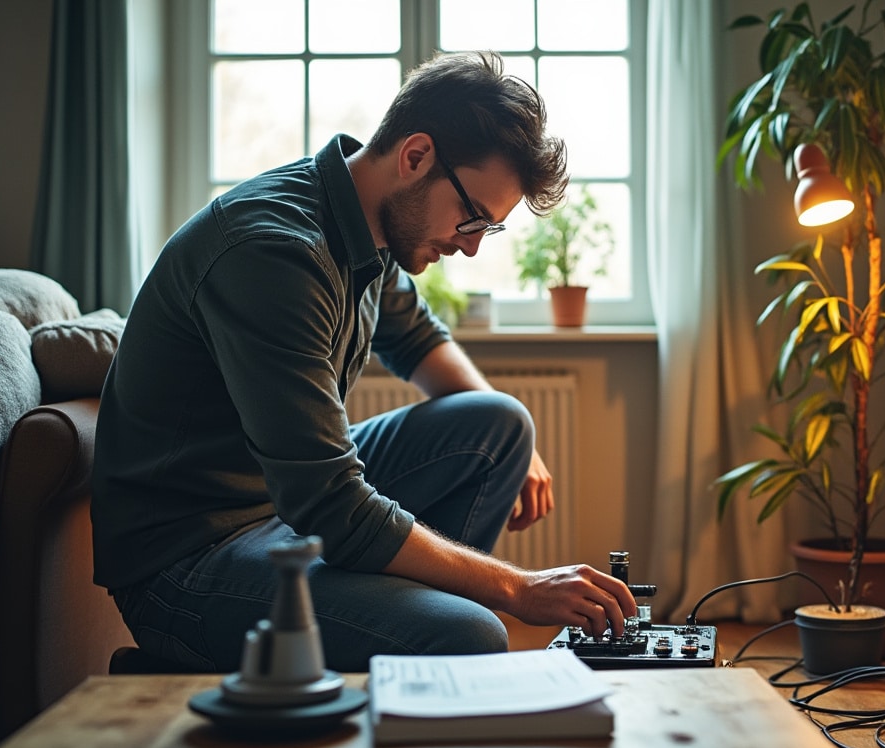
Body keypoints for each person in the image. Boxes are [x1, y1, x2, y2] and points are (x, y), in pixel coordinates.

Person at [91, 51, 637, 673]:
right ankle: (395, 640)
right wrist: (518, 588)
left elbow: (419, 343)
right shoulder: (275, 253)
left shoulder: (364, 223)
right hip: (187, 562)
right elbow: (331, 507)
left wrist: (525, 451)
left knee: (500, 425)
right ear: (415, 156)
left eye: (490, 229)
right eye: (473, 217)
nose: (472, 246)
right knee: (471, 635)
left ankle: (392, 623)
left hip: (279, 509)